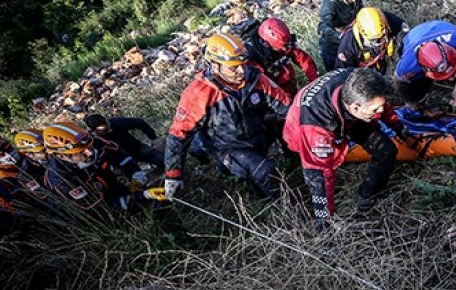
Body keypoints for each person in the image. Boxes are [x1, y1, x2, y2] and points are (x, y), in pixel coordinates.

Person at [163, 33, 291, 201]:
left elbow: (286, 106)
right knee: (264, 170)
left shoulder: (255, 78)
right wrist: (173, 174)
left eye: (243, 64)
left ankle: (262, 195)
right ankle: (292, 209)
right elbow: (179, 134)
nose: (241, 71)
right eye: (233, 67)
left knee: (259, 173)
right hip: (227, 147)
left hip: (257, 136)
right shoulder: (199, 93)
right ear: (215, 66)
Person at [283, 68, 410, 230]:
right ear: (356, 107)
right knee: (319, 177)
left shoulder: (358, 82)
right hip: (305, 129)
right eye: (375, 110)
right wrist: (325, 217)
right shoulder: (315, 128)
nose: (381, 111)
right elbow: (320, 178)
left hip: (347, 118)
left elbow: (382, 106)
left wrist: (397, 126)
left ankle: (367, 195)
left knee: (386, 149)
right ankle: (323, 223)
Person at [42, 122, 158, 213]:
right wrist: (143, 197)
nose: (90, 152)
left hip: (111, 187)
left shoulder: (91, 141)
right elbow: (102, 209)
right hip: (94, 215)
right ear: (62, 156)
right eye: (82, 152)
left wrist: (135, 173)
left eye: (90, 146)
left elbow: (119, 154)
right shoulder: (60, 178)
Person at [393, 20, 456, 109]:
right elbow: (398, 80)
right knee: (416, 88)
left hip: (439, 27)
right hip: (415, 35)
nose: (452, 78)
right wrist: (409, 101)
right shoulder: (409, 65)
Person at [247, 17, 319, 95]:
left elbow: (304, 60)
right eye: (281, 48)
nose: (285, 49)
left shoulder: (285, 41)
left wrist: (316, 83)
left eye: (286, 45)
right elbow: (263, 86)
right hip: (275, 94)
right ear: (266, 44)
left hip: (290, 84)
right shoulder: (253, 57)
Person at [335, 7, 408, 74]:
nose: (380, 42)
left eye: (382, 36)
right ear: (362, 33)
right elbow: (343, 73)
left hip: (380, 61)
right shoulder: (348, 44)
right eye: (375, 40)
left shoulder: (386, 20)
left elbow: (405, 32)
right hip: (361, 70)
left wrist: (403, 50)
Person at [318, 0, 364, 70]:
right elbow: (323, 27)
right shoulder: (330, 1)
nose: (354, 0)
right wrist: (341, 36)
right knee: (337, 78)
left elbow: (360, 13)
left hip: (350, 44)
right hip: (332, 48)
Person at [84, 114, 164, 168]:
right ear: (94, 130)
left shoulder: (117, 123)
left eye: (107, 126)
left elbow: (140, 122)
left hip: (136, 148)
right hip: (121, 161)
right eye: (104, 130)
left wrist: (154, 139)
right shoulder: (94, 140)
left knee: (163, 160)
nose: (109, 130)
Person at [11, 129, 50, 202]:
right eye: (43, 150)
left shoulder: (52, 156)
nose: (48, 151)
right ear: (28, 154)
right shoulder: (26, 175)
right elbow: (45, 196)